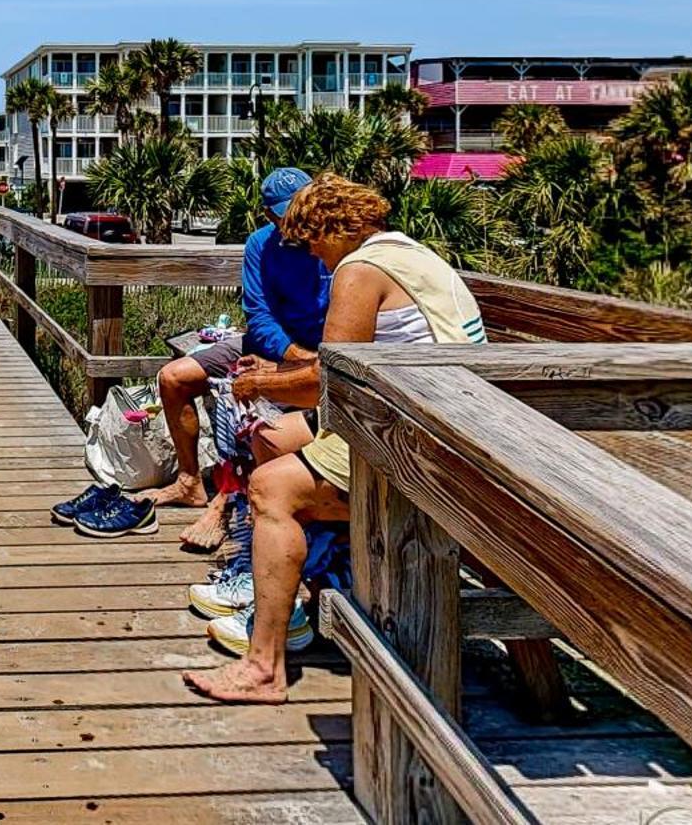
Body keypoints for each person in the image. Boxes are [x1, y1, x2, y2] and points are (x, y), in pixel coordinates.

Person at [183, 174, 486, 704]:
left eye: (314, 245)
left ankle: (264, 667)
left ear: (330, 229)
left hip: (424, 444)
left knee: (270, 489)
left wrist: (258, 383)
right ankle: (325, 577)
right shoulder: (409, 253)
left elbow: (331, 381)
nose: (317, 262)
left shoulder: (359, 270)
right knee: (273, 438)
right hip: (454, 421)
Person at [145, 167, 328, 550]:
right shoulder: (260, 244)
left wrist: (302, 365)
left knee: (253, 401)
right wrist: (292, 355)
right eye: (285, 212)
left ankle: (228, 500)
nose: (296, 219)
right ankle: (189, 480)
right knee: (174, 377)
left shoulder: (330, 243)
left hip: (321, 354)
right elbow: (258, 316)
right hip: (274, 345)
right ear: (269, 215)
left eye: (301, 207)